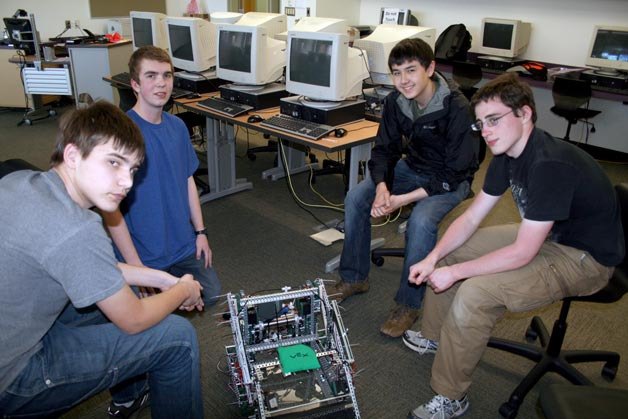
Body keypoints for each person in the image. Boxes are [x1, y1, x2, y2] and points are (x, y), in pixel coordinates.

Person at [403, 73, 624, 419]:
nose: (486, 131)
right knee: (453, 251)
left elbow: (523, 252)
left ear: (524, 114)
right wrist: (434, 259)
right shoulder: (505, 153)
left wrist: (454, 273)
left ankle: (451, 395)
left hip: (585, 259)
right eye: (480, 124)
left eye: (494, 120)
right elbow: (472, 217)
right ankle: (434, 337)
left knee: (475, 293)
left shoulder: (549, 164)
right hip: (548, 233)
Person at [0, 102, 205, 418]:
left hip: (12, 330)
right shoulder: (77, 227)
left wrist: (163, 279)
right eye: (114, 162)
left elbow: (88, 266)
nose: (127, 182)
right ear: (72, 156)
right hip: (13, 378)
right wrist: (183, 290)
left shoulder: (21, 181)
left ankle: (131, 393)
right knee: (178, 338)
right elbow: (133, 318)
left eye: (133, 169)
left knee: (99, 297)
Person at [333, 38, 479, 337]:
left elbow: (455, 171)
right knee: (357, 197)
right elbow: (384, 150)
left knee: (422, 221)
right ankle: (354, 277)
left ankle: (408, 304)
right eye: (397, 73)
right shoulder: (395, 102)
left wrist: (402, 200)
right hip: (411, 168)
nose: (403, 80)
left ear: (431, 68)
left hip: (450, 179)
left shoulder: (457, 107)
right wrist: (384, 187)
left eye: (411, 71)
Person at [102, 46, 221, 307]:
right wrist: (135, 266)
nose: (161, 83)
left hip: (180, 243)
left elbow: (187, 179)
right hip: (144, 251)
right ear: (135, 84)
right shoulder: (122, 133)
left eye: (167, 76)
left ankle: (172, 291)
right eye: (151, 76)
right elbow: (111, 211)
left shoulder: (177, 127)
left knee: (212, 295)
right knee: (139, 314)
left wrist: (201, 232)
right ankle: (166, 291)